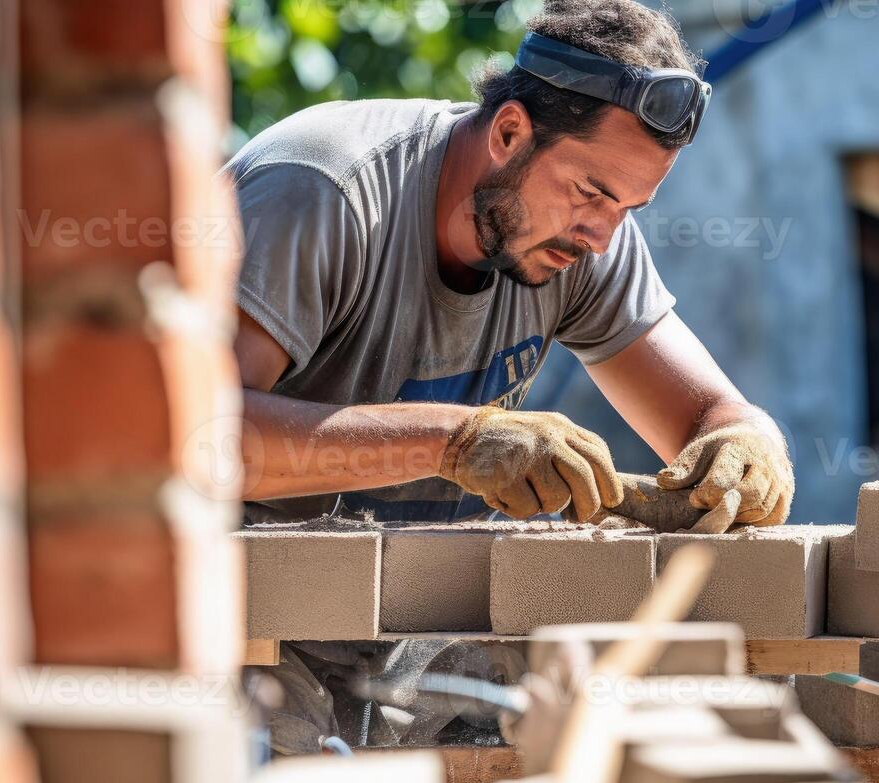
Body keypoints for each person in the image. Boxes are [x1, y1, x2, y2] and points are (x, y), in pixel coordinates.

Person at [227, 0, 793, 531]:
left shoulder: (579, 232)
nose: (601, 238)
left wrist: (751, 443)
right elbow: (188, 435)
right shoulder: (323, 193)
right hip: (220, 620)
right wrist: (452, 443)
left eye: (629, 208)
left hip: (405, 626)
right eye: (590, 193)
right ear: (508, 132)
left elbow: (710, 417)